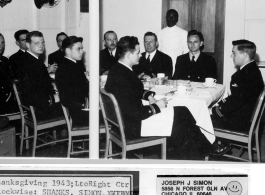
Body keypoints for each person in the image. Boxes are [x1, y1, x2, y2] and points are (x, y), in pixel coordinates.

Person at [105, 36, 213, 160]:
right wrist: (157, 106)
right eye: (137, 52)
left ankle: (199, 149)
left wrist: (149, 95)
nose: (140, 55)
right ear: (129, 55)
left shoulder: (118, 70)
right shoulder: (124, 75)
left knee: (182, 114)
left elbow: (131, 91)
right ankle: (202, 150)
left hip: (124, 123)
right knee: (181, 117)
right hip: (134, 126)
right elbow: (133, 113)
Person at [211, 39, 264, 134]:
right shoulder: (253, 70)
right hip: (246, 118)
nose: (231, 56)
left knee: (200, 119)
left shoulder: (245, 75)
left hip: (240, 122)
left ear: (244, 55)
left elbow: (235, 102)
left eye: (234, 53)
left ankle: (212, 147)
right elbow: (238, 98)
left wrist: (215, 110)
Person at [20, 31, 62, 120]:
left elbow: (40, 84)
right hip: (39, 110)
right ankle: (68, 132)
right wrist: (53, 98)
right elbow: (31, 94)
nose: (41, 45)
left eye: (42, 42)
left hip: (39, 105)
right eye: (36, 43)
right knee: (72, 107)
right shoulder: (30, 64)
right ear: (28, 45)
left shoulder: (33, 60)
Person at [55, 36, 89, 126]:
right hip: (78, 112)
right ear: (68, 51)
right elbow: (82, 92)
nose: (82, 51)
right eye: (79, 49)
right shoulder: (69, 68)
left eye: (82, 49)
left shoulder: (69, 65)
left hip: (77, 108)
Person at [157, 9, 189, 75]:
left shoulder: (183, 33)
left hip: (177, 64)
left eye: (173, 17)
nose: (170, 19)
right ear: (166, 18)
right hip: (163, 65)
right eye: (168, 16)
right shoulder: (160, 33)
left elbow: (186, 52)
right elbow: (159, 51)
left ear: (177, 19)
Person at [0, 33, 18, 114]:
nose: (1, 46)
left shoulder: (4, 60)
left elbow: (11, 79)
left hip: (8, 98)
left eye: (2, 43)